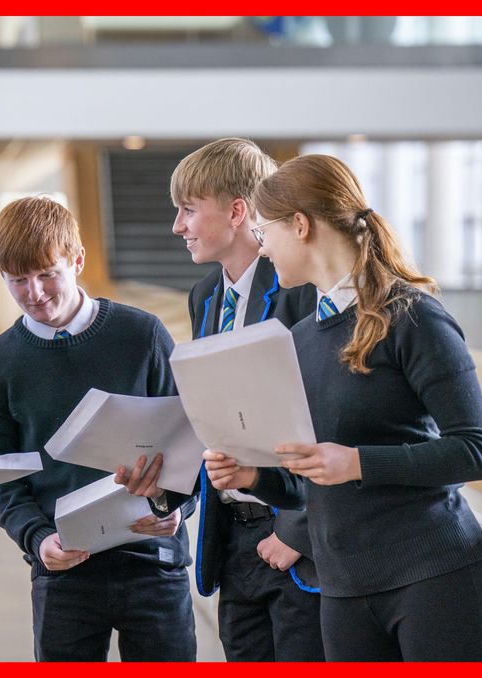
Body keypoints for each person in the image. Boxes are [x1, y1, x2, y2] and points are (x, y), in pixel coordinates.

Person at [204, 153, 482, 661]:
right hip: (341, 586)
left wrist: (358, 462)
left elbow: (478, 452)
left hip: (431, 576)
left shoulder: (413, 316)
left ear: (300, 226)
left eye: (264, 230)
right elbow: (308, 481)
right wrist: (251, 476)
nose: (262, 245)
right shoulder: (297, 339)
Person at [0, 196, 196, 662]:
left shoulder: (143, 337)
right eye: (17, 280)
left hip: (153, 559)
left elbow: (189, 441)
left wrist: (176, 508)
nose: (34, 293)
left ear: (77, 260)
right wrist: (36, 539)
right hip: (63, 566)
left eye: (46, 274)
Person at [147, 138, 324, 661]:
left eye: (188, 210)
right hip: (232, 539)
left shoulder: (302, 291)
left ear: (238, 211)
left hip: (293, 534)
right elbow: (216, 415)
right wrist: (167, 492)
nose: (178, 226)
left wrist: (299, 532)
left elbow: (334, 417)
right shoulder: (205, 295)